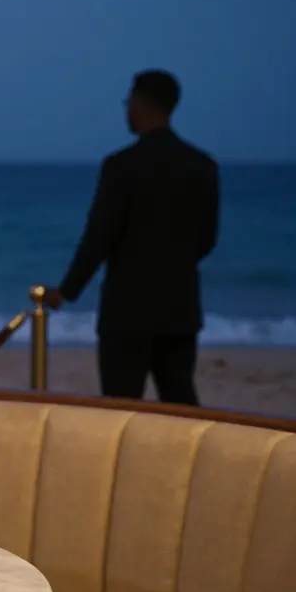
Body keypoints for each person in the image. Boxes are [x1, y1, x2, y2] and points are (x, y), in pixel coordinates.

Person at [42, 69, 219, 405]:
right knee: (180, 400)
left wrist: (66, 291)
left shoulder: (121, 166)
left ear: (139, 102)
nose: (126, 108)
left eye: (128, 101)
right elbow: (208, 238)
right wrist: (175, 265)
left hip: (127, 311)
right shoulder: (203, 166)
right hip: (180, 307)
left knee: (121, 406)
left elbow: (99, 237)